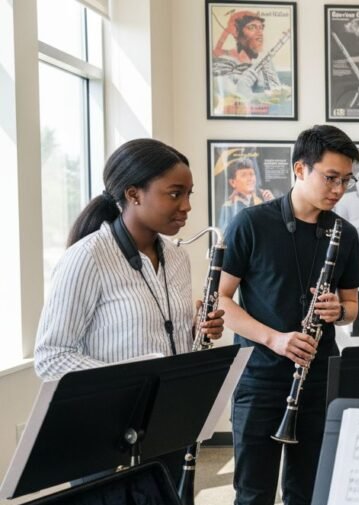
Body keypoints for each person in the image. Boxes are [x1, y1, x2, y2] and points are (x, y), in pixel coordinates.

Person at [219, 125, 359, 505]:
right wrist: (274, 339)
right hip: (260, 378)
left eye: (346, 181)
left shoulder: (344, 232)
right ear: (300, 169)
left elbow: (352, 306)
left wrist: (339, 311)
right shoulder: (250, 223)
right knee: (252, 502)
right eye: (331, 178)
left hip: (319, 378)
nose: (339, 190)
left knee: (304, 498)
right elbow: (221, 301)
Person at [34, 138, 225, 486]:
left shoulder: (178, 257)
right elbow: (51, 356)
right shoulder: (87, 257)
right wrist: (131, 384)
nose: (186, 206)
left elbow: (161, 335)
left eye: (189, 194)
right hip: (105, 435)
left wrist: (197, 329)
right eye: (174, 193)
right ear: (134, 194)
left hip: (165, 426)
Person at [211, 9, 291, 115]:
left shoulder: (265, 61)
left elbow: (277, 100)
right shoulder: (224, 62)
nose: (260, 34)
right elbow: (225, 104)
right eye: (252, 27)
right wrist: (242, 88)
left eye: (261, 28)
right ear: (236, 32)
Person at [219, 158, 274, 231]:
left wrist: (272, 204)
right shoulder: (228, 207)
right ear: (233, 182)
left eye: (252, 174)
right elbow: (225, 234)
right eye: (244, 175)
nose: (250, 179)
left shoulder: (262, 201)